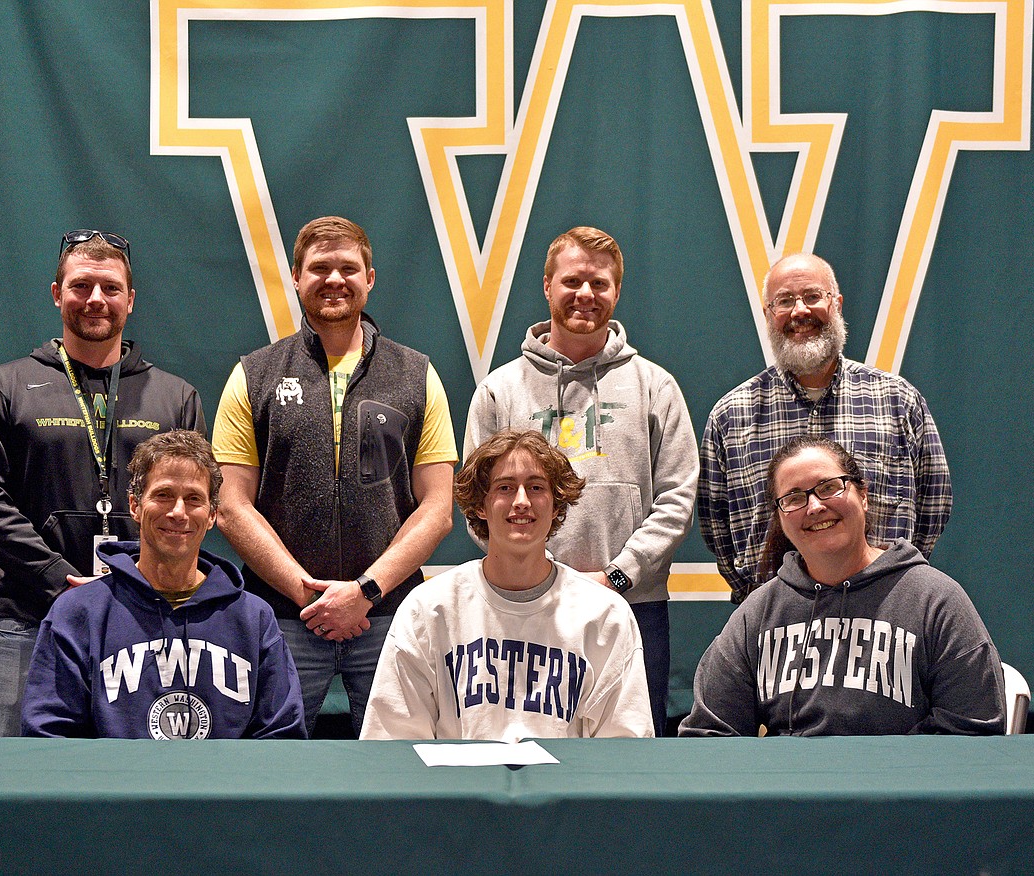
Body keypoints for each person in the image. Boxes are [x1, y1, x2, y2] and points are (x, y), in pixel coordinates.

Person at [212, 216, 457, 736]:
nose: (334, 279)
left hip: (389, 615)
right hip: (283, 616)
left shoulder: (417, 373)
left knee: (398, 772)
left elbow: (437, 509)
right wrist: (311, 597)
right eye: (319, 268)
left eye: (349, 268)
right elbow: (232, 506)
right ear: (296, 278)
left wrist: (365, 592)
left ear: (370, 278)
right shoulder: (254, 373)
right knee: (274, 775)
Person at [0, 229, 205, 737]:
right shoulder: (4, 387)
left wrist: (142, 585)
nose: (96, 299)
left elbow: (190, 507)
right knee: (14, 778)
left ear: (131, 300)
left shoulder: (176, 397)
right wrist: (57, 577)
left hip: (142, 619)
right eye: (81, 286)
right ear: (57, 293)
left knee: (133, 776)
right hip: (29, 616)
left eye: (111, 288)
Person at [463, 226, 698, 737]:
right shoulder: (499, 391)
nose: (586, 295)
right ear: (547, 286)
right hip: (521, 610)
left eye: (600, 283)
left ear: (617, 292)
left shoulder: (654, 385)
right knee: (518, 750)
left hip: (634, 608)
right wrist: (536, 580)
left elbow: (678, 498)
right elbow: (477, 501)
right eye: (572, 281)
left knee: (629, 764)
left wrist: (616, 578)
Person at [679, 435, 1004, 737]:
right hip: (791, 794)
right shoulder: (758, 612)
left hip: (902, 793)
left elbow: (972, 731)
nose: (815, 507)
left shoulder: (935, 601)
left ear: (862, 494)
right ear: (779, 519)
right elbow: (710, 735)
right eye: (794, 498)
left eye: (829, 487)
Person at [361, 430, 653, 740]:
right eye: (505, 487)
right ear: (480, 506)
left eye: (536, 487)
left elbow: (623, 748)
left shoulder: (605, 615)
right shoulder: (429, 610)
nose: (522, 501)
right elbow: (394, 741)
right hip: (458, 787)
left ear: (556, 505)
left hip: (566, 787)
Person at [697, 252, 952, 603]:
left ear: (837, 304)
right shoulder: (730, 415)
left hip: (886, 613)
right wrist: (756, 598)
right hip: (775, 621)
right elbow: (715, 526)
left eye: (813, 296)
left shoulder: (897, 400)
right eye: (784, 301)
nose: (800, 311)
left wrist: (895, 586)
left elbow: (934, 502)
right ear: (768, 315)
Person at [21, 430, 306, 738]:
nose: (178, 512)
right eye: (163, 495)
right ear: (134, 505)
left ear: (212, 514)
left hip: (221, 786)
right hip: (117, 786)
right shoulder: (78, 614)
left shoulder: (254, 619)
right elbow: (48, 737)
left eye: (194, 499)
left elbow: (281, 737)